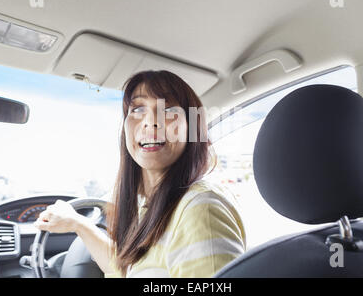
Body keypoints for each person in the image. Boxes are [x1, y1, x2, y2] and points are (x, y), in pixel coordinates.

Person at [34, 70, 246, 277]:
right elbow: (125, 269)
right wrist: (78, 224)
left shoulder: (200, 208)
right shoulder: (153, 205)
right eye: (137, 109)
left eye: (168, 109)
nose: (150, 121)